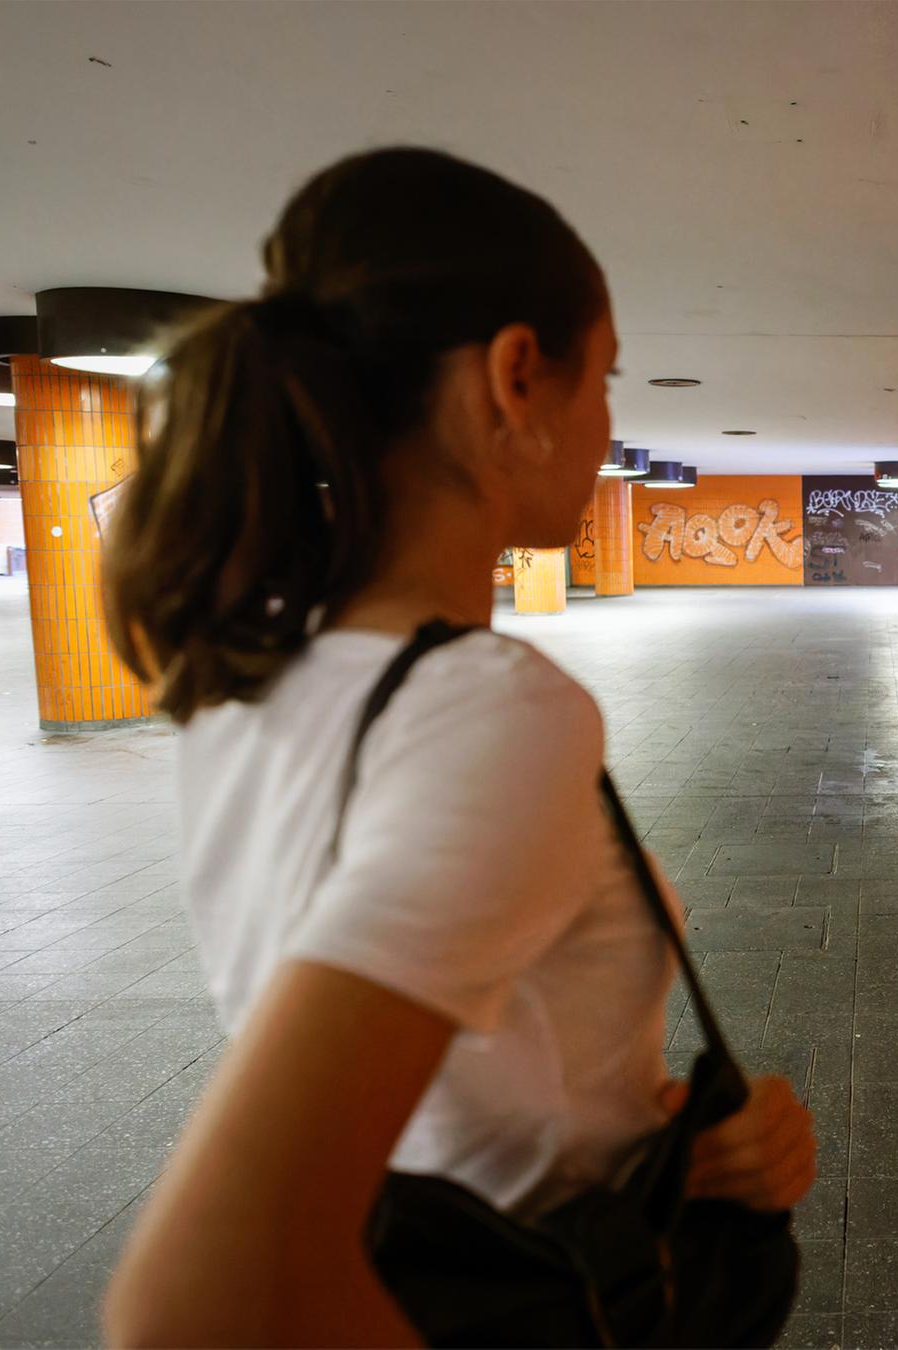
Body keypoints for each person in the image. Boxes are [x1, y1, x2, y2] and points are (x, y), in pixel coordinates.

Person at [96, 148, 814, 1346]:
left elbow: (450, 1110)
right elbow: (202, 1297)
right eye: (607, 380)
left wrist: (670, 1162)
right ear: (515, 379)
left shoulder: (249, 683)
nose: (608, 426)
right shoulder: (494, 710)